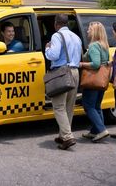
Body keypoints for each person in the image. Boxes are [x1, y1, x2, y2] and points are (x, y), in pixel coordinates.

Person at [45, 14, 82, 150]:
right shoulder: (76, 37)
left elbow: (53, 55)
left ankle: (67, 136)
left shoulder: (56, 36)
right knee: (69, 106)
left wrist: (47, 48)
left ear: (56, 24)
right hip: (75, 72)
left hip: (62, 72)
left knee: (58, 106)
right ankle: (62, 135)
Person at [79, 21, 110, 142]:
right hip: (102, 80)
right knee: (97, 106)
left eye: (89, 29)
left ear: (95, 32)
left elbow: (96, 64)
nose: (87, 31)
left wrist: (81, 64)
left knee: (88, 106)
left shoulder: (93, 46)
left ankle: (102, 130)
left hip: (93, 80)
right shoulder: (104, 45)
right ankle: (95, 131)